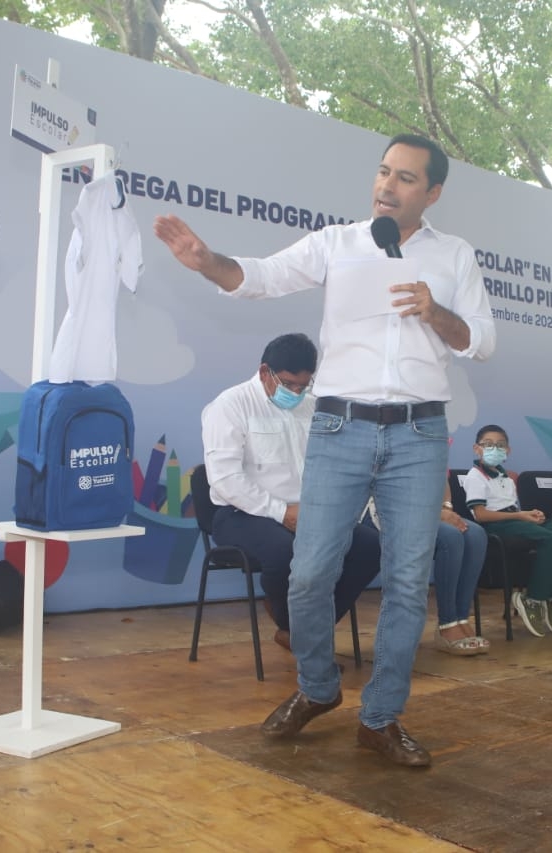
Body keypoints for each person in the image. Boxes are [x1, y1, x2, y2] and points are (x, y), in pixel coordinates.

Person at [155, 134, 495, 767]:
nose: (387, 186)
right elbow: (256, 276)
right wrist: (207, 261)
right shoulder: (337, 243)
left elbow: (482, 341)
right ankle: (316, 687)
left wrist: (436, 311)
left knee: (404, 580)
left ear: (434, 192)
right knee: (309, 574)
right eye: (383, 172)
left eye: (406, 178)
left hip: (420, 433)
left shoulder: (454, 255)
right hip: (340, 427)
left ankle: (381, 717)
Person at [201, 334, 381, 651]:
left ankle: (306, 630)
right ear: (264, 372)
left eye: (303, 386)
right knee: (286, 551)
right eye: (288, 385)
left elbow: (331, 465)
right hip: (241, 514)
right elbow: (225, 478)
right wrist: (281, 512)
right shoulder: (229, 405)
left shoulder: (314, 408)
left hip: (307, 511)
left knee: (368, 546)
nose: (296, 393)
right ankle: (293, 625)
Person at [463, 424, 552, 638]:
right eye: (488, 444)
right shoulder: (475, 476)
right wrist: (519, 516)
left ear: (508, 451)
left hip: (514, 518)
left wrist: (529, 514)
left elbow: (513, 508)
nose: (494, 448)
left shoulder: (506, 477)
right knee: (550, 540)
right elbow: (481, 515)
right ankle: (532, 599)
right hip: (495, 525)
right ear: (476, 448)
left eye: (500, 445)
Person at [366, 482, 488, 655]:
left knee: (476, 535)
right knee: (450, 537)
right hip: (385, 510)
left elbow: (443, 480)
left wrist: (446, 508)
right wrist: (433, 513)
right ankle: (447, 625)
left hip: (427, 511)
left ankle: (461, 619)